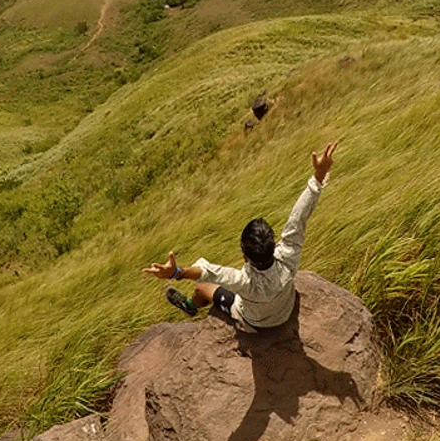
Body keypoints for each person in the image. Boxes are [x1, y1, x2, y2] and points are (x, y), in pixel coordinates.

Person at [142, 141, 339, 332]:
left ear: (245, 257)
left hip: (255, 322)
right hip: (285, 311)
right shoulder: (288, 256)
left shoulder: (243, 281)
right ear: (273, 244)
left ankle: (190, 306)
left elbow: (207, 274)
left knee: (202, 287)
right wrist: (319, 175)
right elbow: (298, 217)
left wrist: (177, 272)